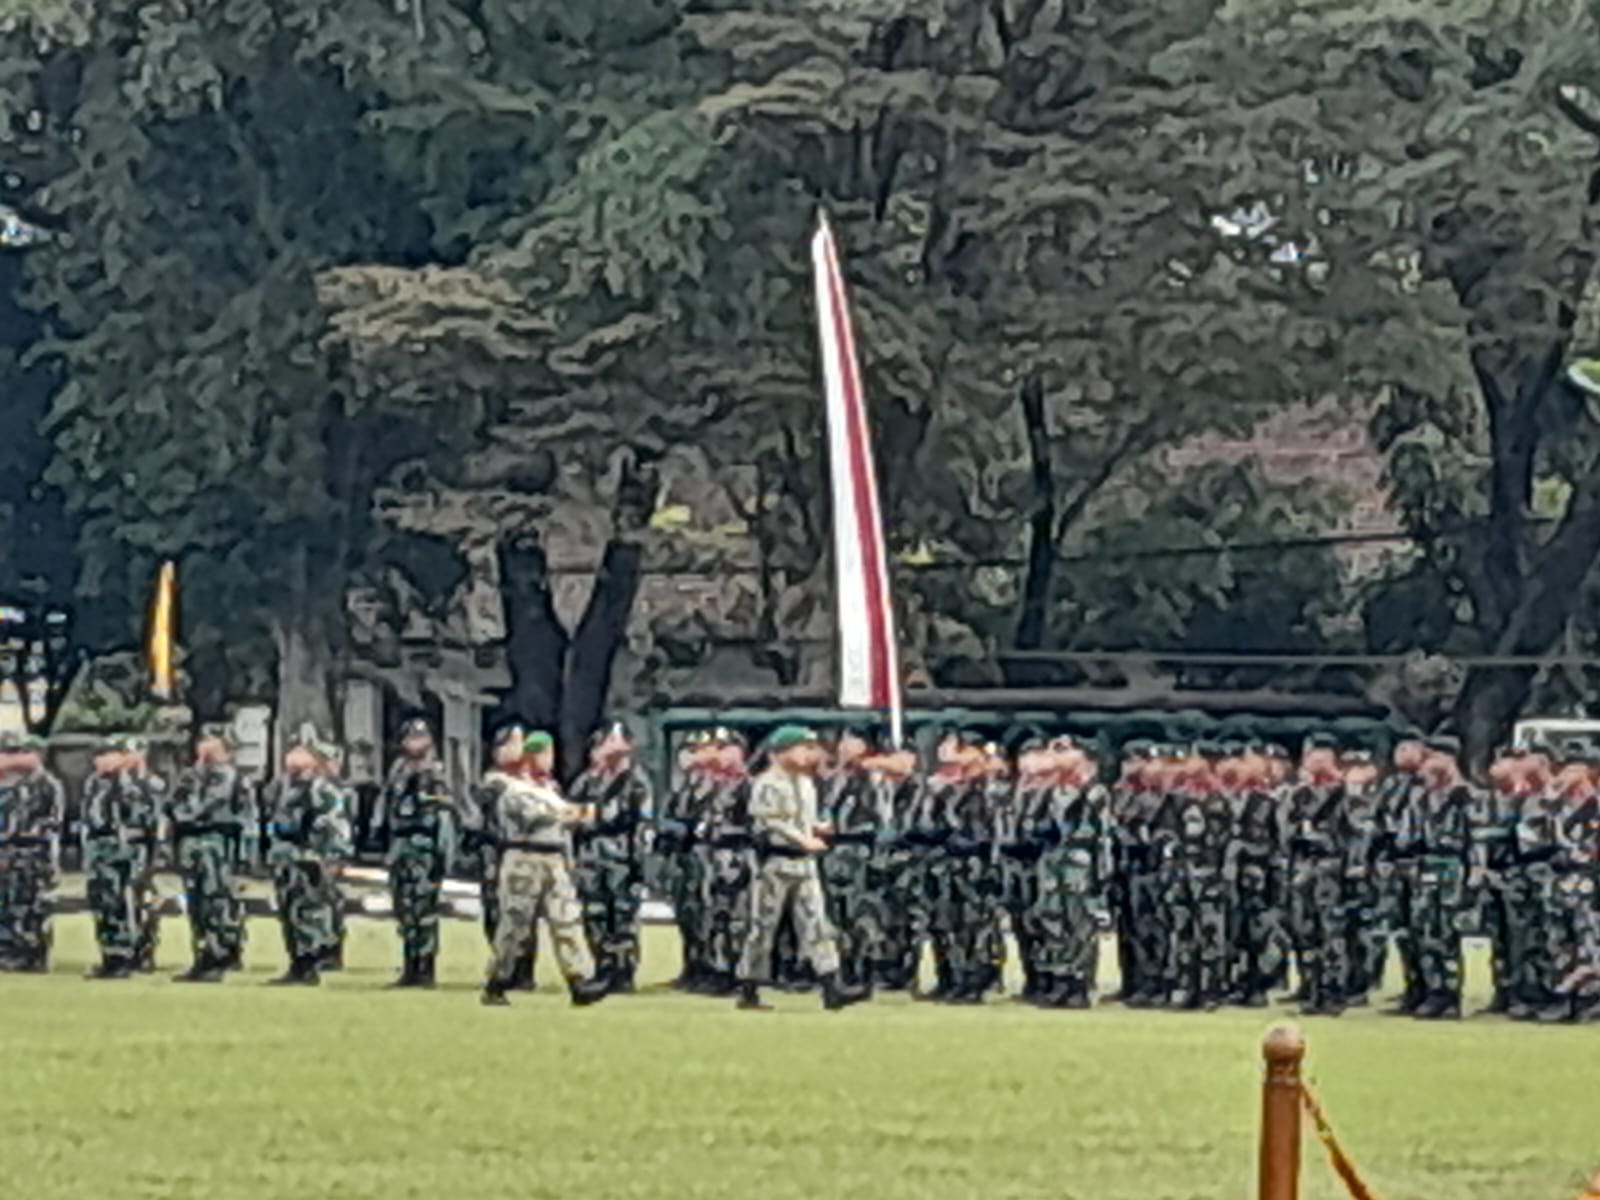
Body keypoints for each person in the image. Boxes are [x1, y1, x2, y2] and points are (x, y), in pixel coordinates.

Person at [734, 725, 870, 1012]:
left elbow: (802, 818)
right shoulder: (767, 783)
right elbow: (771, 821)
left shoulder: (806, 784)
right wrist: (803, 839)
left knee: (817, 925)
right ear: (780, 752)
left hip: (804, 863)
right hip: (774, 863)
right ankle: (749, 985)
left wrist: (817, 828)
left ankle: (832, 985)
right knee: (763, 927)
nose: (810, 754)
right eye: (803, 747)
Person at [481, 731, 609, 1007]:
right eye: (545, 754)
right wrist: (573, 813)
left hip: (554, 857)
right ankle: (498, 979)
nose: (550, 760)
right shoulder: (513, 788)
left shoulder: (550, 788)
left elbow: (570, 819)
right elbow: (537, 816)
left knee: (567, 918)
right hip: (524, 857)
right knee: (515, 925)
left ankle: (580, 979)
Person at [570, 721, 654, 992]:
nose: (608, 748)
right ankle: (602, 966)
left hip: (622, 859)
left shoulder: (636, 781)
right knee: (593, 913)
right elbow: (572, 814)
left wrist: (639, 863)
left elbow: (638, 822)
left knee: (623, 916)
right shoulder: (587, 780)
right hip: (590, 857)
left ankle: (623, 970)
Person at [264, 736, 351, 986]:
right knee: (289, 910)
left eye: (299, 754)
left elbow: (334, 824)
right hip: (285, 858)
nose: (292, 759)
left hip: (308, 857)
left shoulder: (320, 789)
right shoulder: (286, 787)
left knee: (308, 911)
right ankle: (297, 961)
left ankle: (309, 964)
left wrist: (331, 856)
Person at [167, 725, 249, 982]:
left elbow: (211, 806)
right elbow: (173, 805)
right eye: (202, 740)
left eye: (211, 740)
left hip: (217, 844)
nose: (204, 745)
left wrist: (246, 857)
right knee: (196, 904)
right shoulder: (191, 776)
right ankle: (203, 954)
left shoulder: (228, 777)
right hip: (191, 845)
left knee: (216, 902)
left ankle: (220, 955)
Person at [378, 717, 456, 988]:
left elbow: (444, 816)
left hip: (424, 845)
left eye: (419, 737)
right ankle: (410, 963)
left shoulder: (434, 773)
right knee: (403, 907)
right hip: (401, 845)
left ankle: (425, 966)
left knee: (423, 908)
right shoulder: (398, 770)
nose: (413, 742)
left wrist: (443, 855)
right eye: (409, 737)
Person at [82, 736, 166, 979]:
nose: (101, 761)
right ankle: (113, 955)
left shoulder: (143, 785)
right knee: (105, 902)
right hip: (101, 851)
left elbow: (154, 823)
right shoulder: (95, 784)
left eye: (107, 755)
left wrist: (155, 855)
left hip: (130, 850)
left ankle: (133, 954)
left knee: (130, 902)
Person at [466, 725, 536, 986]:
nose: (510, 750)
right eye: (505, 744)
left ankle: (523, 971)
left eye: (516, 743)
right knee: (494, 911)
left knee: (523, 912)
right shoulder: (489, 783)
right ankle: (503, 966)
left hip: (523, 854)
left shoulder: (534, 781)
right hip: (493, 855)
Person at [1286, 736, 1349, 1016]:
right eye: (1311, 756)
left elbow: (1357, 835)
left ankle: (1333, 991)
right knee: (1305, 932)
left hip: (1332, 869)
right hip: (1304, 868)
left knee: (1331, 933)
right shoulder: (1299, 795)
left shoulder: (1344, 794)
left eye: (1321, 755)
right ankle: (1311, 990)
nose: (1315, 761)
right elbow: (1286, 831)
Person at [1411, 737, 1472, 1020]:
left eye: (1435, 757)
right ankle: (1432, 989)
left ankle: (1450, 992)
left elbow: (1474, 840)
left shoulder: (1465, 796)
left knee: (1448, 933)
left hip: (1452, 867)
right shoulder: (1423, 797)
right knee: (1425, 932)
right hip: (1427, 866)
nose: (1429, 765)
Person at [820, 729, 881, 991]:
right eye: (843, 741)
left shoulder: (869, 779)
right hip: (833, 852)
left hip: (858, 852)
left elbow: (878, 818)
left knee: (861, 915)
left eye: (851, 742)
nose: (844, 747)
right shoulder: (833, 780)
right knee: (836, 914)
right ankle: (843, 969)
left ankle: (863, 969)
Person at [0, 733, 65, 972]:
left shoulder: (45, 784)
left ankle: (32, 954)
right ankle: (8, 951)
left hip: (32, 855)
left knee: (31, 906)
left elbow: (52, 824)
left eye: (16, 752)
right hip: (7, 854)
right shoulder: (7, 785)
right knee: (6, 905)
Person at [699, 728, 753, 995]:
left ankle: (740, 974)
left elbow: (755, 825)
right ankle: (719, 969)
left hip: (738, 856)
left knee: (739, 920)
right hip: (715, 856)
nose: (720, 754)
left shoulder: (748, 786)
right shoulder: (715, 784)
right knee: (717, 916)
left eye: (726, 748)